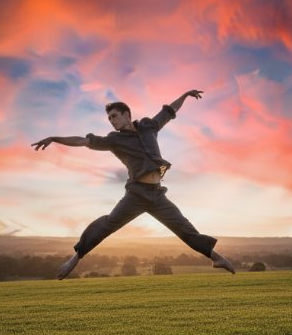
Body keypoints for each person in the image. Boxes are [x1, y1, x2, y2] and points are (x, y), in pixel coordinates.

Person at [32, 89, 237, 279]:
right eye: (109, 118)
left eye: (114, 116)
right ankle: (74, 259)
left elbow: (169, 111)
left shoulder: (149, 126)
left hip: (157, 194)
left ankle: (215, 257)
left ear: (126, 115)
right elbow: (84, 141)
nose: (111, 121)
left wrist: (185, 95)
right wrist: (55, 138)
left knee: (184, 229)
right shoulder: (114, 140)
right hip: (136, 194)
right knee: (108, 224)